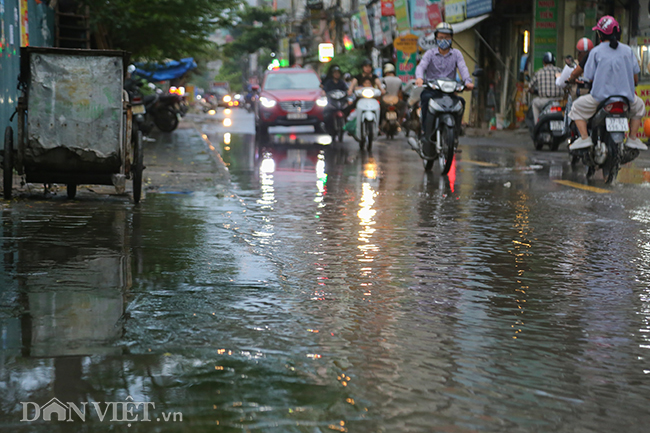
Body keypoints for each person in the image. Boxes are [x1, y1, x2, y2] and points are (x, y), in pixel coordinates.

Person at [568, 16, 647, 151]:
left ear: (599, 34)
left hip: (600, 100)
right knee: (640, 106)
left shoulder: (596, 52)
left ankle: (585, 137)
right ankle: (633, 138)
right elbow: (635, 78)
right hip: (626, 100)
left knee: (575, 107)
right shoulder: (628, 51)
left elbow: (589, 77)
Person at [414, 22, 474, 137]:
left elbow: (463, 68)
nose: (444, 40)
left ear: (451, 38)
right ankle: (425, 129)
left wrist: (468, 82)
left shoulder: (457, 54)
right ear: (436, 38)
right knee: (425, 98)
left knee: (461, 102)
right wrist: (420, 78)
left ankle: (456, 131)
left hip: (449, 91)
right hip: (432, 89)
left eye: (447, 37)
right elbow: (421, 66)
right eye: (441, 37)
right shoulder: (429, 54)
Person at [528, 52, 563, 123]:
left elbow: (530, 87)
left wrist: (534, 91)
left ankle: (537, 124)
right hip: (559, 101)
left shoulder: (539, 72)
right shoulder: (559, 71)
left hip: (544, 101)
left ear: (543, 62)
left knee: (534, 103)